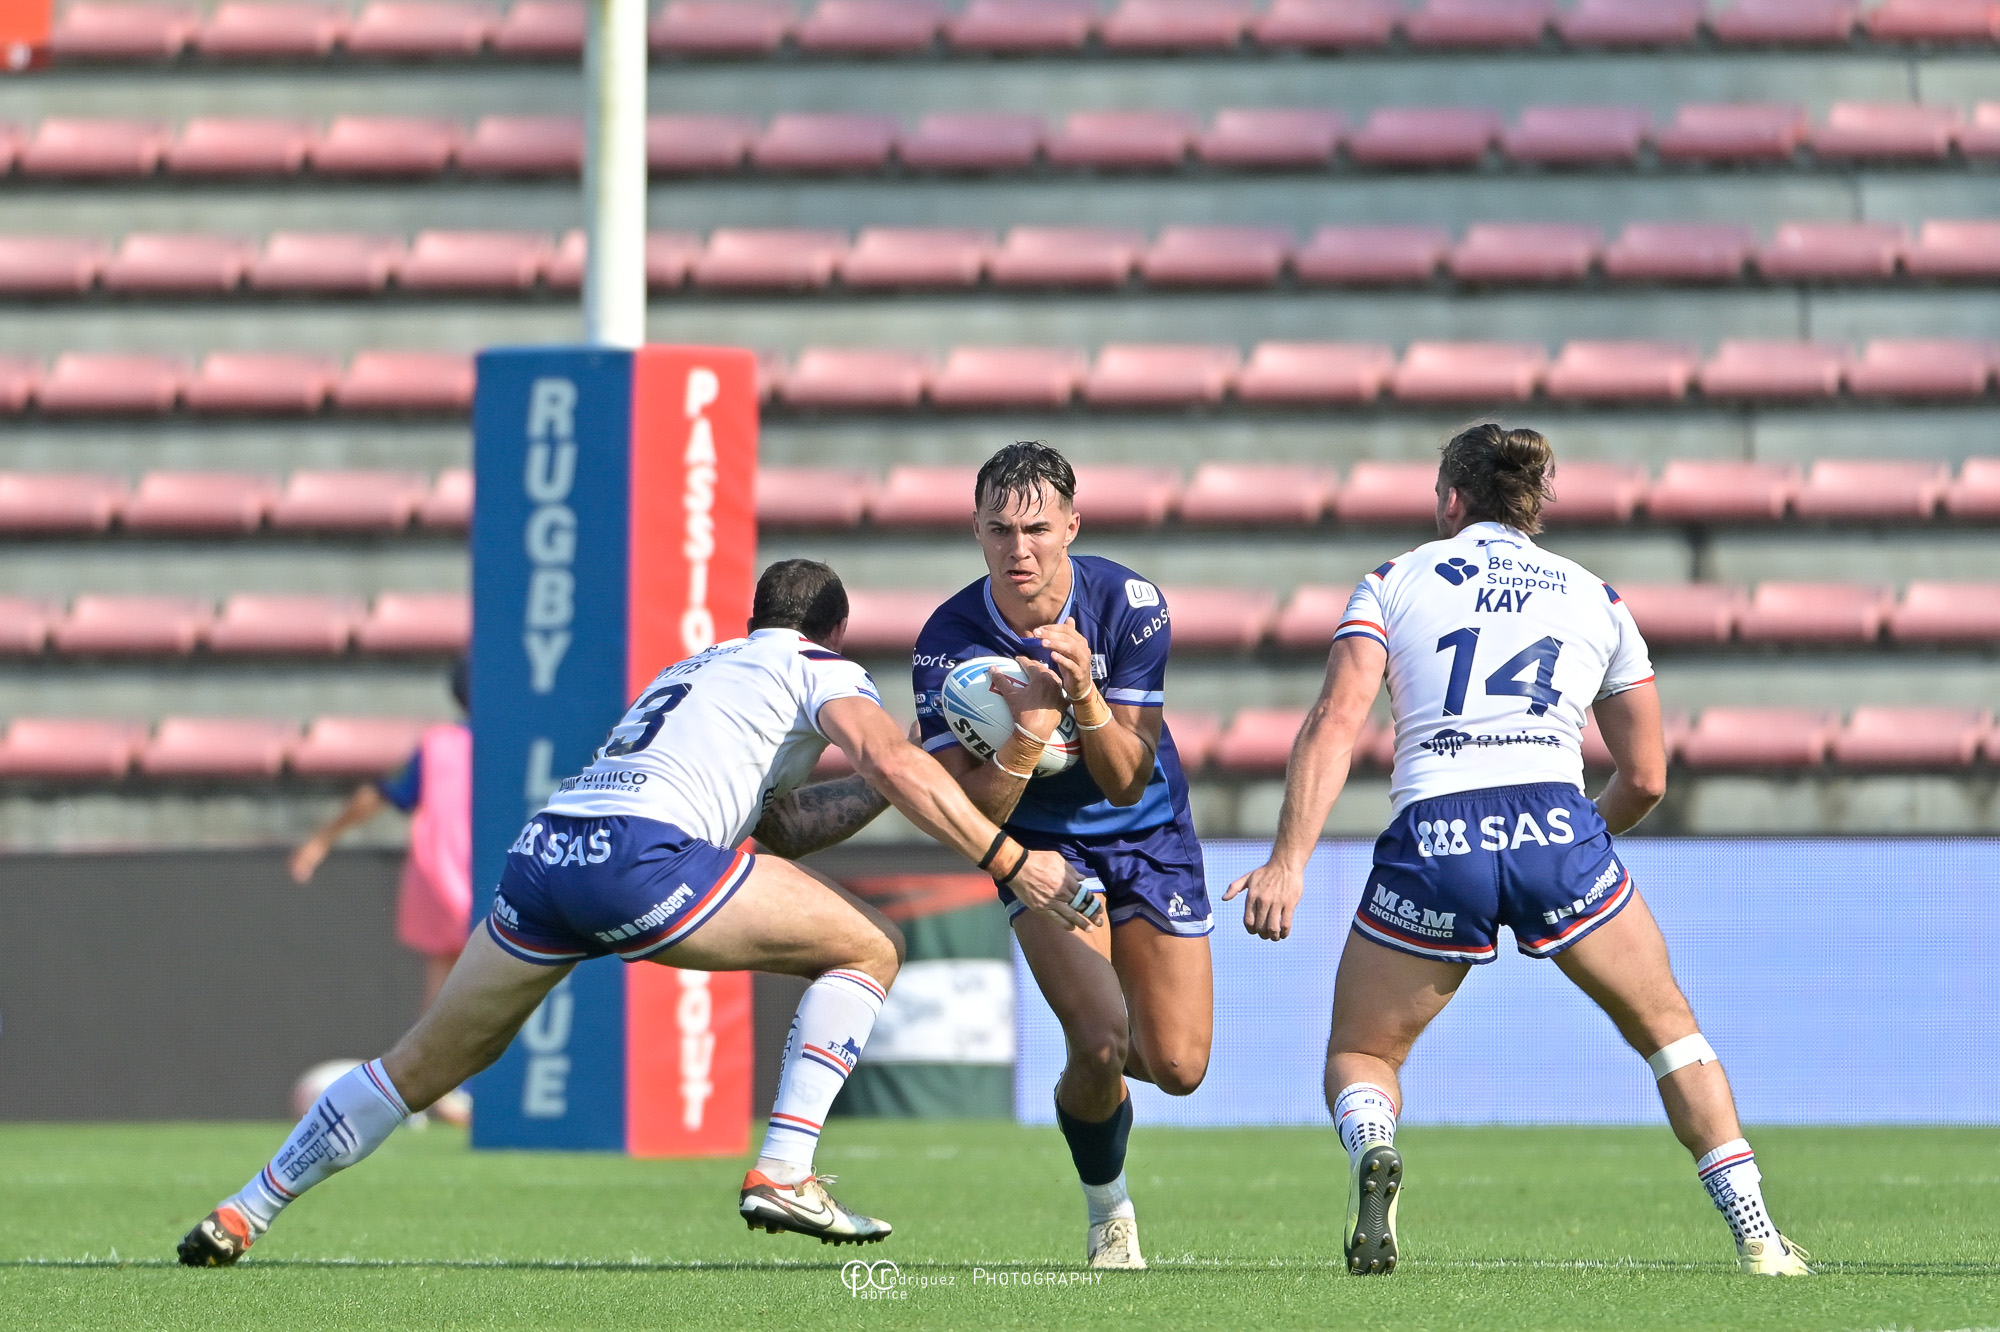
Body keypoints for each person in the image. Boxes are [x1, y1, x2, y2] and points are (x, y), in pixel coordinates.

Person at [177, 558, 1088, 1267]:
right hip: (639, 856)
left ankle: (246, 1208)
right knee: (871, 948)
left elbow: (785, 828)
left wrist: (902, 775)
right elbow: (884, 760)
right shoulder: (823, 668)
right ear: (836, 632)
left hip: (548, 852)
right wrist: (1009, 856)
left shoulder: (698, 670)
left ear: (754, 621)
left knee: (420, 1064)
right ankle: (785, 1170)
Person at [1225, 424, 1811, 1278]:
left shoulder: (1392, 581)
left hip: (1436, 833)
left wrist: (1288, 862)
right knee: (1670, 1035)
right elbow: (1646, 777)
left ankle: (1374, 1145)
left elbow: (1335, 721)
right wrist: (1573, 843)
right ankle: (1759, 1237)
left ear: (1452, 501)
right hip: (1555, 823)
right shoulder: (1595, 595)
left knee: (1364, 1052)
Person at [911, 441, 1213, 1271]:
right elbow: (972, 816)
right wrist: (1029, 734)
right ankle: (1108, 1210)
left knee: (1179, 1065)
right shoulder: (946, 642)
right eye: (1000, 530)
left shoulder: (1129, 606)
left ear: (1072, 526)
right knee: (1102, 1041)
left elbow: (1125, 779)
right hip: (1042, 848)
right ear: (976, 530)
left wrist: (1080, 692)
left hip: (1148, 832)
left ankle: (1096, 1087)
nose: (1020, 549)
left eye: (1038, 529)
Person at [291, 660, 472, 1016]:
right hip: (498, 886)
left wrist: (322, 840)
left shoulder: (438, 747)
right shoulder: (519, 746)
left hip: (444, 886)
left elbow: (378, 795)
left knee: (445, 980)